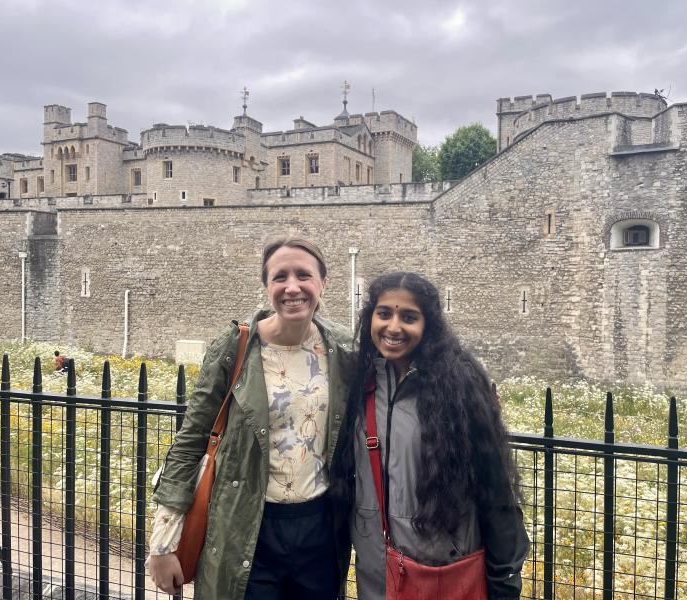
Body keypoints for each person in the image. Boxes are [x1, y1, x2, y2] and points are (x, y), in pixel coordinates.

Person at [149, 234, 354, 599]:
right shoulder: (235, 346)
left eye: (304, 275)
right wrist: (163, 544)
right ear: (266, 287)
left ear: (324, 283)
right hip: (245, 527)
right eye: (280, 277)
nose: (293, 287)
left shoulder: (343, 348)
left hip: (319, 531)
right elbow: (190, 442)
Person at [331, 272, 529, 599]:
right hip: (377, 573)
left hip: (442, 574)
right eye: (384, 314)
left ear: (428, 325)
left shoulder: (460, 386)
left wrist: (504, 582)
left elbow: (495, 491)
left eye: (408, 317)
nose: (394, 327)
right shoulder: (360, 383)